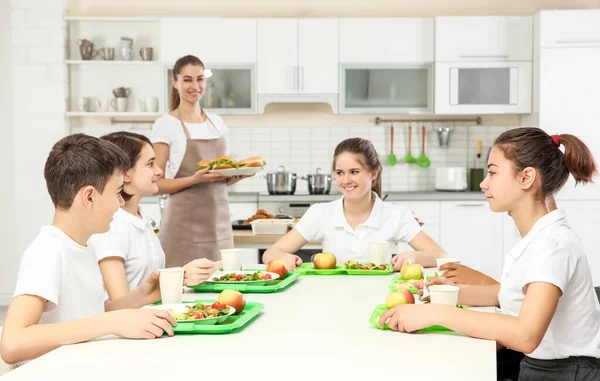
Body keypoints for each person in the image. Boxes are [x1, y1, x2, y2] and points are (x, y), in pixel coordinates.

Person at [380, 128, 600, 381]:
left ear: (526, 177)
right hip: (544, 366)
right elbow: (516, 295)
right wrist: (448, 295)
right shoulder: (538, 237)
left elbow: (526, 334)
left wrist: (435, 314)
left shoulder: (553, 245)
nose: (484, 183)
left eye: (493, 172)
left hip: (565, 373)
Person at [0, 134, 176, 365]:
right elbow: (13, 343)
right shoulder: (47, 251)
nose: (120, 203)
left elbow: (86, 315)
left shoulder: (86, 245)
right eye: (116, 193)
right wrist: (110, 323)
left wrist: (143, 296)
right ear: (90, 197)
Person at [263, 138, 444, 270]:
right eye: (340, 173)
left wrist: (412, 257)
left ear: (373, 173)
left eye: (354, 172)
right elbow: (270, 253)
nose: (346, 180)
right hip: (330, 296)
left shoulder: (396, 215)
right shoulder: (320, 213)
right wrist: (284, 257)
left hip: (379, 295)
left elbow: (441, 256)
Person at [88, 132, 219, 302]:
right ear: (124, 173)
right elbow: (121, 304)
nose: (159, 171)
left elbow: (148, 282)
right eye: (150, 164)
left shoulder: (140, 218)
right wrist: (181, 277)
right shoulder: (111, 225)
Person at [151, 55, 246, 267]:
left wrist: (233, 176)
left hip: (219, 224)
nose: (195, 86)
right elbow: (155, 184)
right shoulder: (166, 124)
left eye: (200, 79)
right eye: (187, 80)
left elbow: (215, 178)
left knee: (223, 286)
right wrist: (195, 179)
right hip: (182, 227)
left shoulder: (217, 123)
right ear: (175, 83)